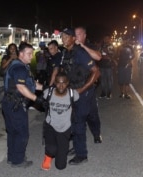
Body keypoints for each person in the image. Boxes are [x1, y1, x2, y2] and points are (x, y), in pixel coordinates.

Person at [2, 42, 48, 168]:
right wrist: (37, 100)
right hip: (15, 104)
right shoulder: (19, 68)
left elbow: (31, 83)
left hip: (10, 102)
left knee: (12, 132)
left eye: (31, 54)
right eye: (28, 54)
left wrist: (46, 88)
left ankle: (12, 157)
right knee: (21, 132)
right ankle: (18, 160)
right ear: (21, 54)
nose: (31, 56)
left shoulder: (20, 65)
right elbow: (21, 87)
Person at [60, 28, 100, 165]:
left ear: (73, 39)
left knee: (78, 123)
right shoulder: (66, 53)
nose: (63, 38)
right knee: (72, 121)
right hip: (71, 91)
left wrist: (82, 89)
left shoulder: (80, 53)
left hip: (83, 93)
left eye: (66, 36)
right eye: (62, 36)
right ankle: (77, 147)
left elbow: (96, 72)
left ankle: (82, 155)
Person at [41, 71, 79, 171]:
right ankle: (48, 157)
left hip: (65, 127)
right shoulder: (47, 93)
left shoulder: (73, 94)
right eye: (58, 82)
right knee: (51, 149)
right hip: (51, 125)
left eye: (64, 82)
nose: (61, 85)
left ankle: (59, 153)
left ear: (67, 83)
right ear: (55, 83)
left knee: (61, 166)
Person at [75, 26, 102, 143]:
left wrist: (83, 46)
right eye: (75, 34)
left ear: (84, 36)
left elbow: (98, 57)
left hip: (88, 85)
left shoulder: (89, 46)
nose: (76, 37)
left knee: (92, 114)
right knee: (77, 115)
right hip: (75, 85)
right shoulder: (71, 48)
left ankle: (96, 134)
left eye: (79, 34)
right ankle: (78, 141)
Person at [98, 35, 115, 99]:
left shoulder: (111, 46)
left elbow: (113, 55)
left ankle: (109, 92)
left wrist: (106, 52)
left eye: (107, 38)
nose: (106, 40)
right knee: (103, 80)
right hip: (102, 65)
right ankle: (104, 92)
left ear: (109, 39)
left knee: (109, 79)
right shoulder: (101, 46)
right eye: (104, 38)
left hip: (108, 65)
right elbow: (98, 54)